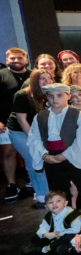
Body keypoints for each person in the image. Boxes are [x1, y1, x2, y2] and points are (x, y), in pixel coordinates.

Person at [27, 83, 81, 209]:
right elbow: (34, 138)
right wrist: (44, 155)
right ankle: (65, 215)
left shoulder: (78, 115)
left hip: (74, 155)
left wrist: (65, 155)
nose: (55, 99)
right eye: (50, 96)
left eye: (59, 95)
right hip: (51, 157)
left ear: (68, 96)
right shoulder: (40, 116)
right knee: (59, 190)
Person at [7, 69, 53, 205]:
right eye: (42, 78)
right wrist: (34, 139)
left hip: (39, 131)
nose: (47, 81)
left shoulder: (50, 94)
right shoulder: (22, 95)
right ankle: (42, 194)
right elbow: (22, 121)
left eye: (49, 78)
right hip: (20, 131)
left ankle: (48, 191)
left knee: (43, 161)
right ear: (34, 80)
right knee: (33, 159)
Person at [0, 48, 31, 200]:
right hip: (6, 123)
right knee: (8, 152)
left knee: (31, 152)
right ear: (7, 60)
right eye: (12, 58)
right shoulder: (1, 75)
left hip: (31, 122)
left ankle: (31, 179)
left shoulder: (33, 75)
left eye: (19, 58)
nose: (16, 60)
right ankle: (11, 185)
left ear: (26, 60)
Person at [22, 190, 81, 255]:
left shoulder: (72, 214)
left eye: (58, 201)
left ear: (65, 203)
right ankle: (59, 246)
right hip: (56, 235)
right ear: (46, 207)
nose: (54, 204)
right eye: (50, 202)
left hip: (73, 234)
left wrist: (59, 234)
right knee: (36, 237)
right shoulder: (49, 216)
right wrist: (45, 234)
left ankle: (46, 248)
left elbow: (76, 230)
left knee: (67, 237)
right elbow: (43, 227)